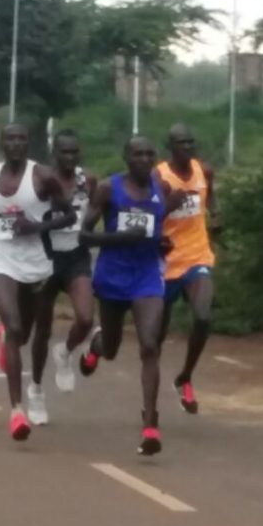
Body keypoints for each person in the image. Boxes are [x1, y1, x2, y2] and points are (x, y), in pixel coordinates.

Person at [0, 123, 75, 440]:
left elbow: (69, 216)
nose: (16, 144)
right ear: (2, 143)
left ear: (28, 143)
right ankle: (16, 410)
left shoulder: (43, 177)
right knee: (13, 328)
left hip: (36, 263)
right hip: (0, 259)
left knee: (24, 333)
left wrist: (36, 227)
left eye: (21, 139)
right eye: (10, 138)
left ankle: (7, 339)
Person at [79, 135, 186, 456]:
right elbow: (84, 236)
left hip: (147, 276)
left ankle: (150, 424)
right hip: (113, 277)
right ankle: (96, 345)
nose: (144, 159)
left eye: (149, 154)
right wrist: (120, 237)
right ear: (126, 158)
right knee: (111, 348)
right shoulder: (108, 189)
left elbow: (153, 225)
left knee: (150, 345)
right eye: (138, 154)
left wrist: (159, 241)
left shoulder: (160, 188)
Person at [29, 129, 98, 405]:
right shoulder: (41, 181)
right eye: (64, 152)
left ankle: (66, 351)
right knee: (42, 329)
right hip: (45, 258)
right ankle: (36, 389)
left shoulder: (88, 180)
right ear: (53, 153)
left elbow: (95, 212)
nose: (70, 157)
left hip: (76, 256)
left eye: (74, 152)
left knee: (86, 318)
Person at [155, 123, 221, 414]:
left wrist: (216, 216)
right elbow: (148, 214)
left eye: (191, 142)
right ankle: (150, 400)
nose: (188, 147)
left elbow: (211, 199)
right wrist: (168, 207)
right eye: (181, 143)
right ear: (170, 147)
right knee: (155, 337)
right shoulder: (159, 177)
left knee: (203, 316)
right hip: (166, 263)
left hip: (197, 257)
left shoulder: (203, 171)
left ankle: (185, 377)